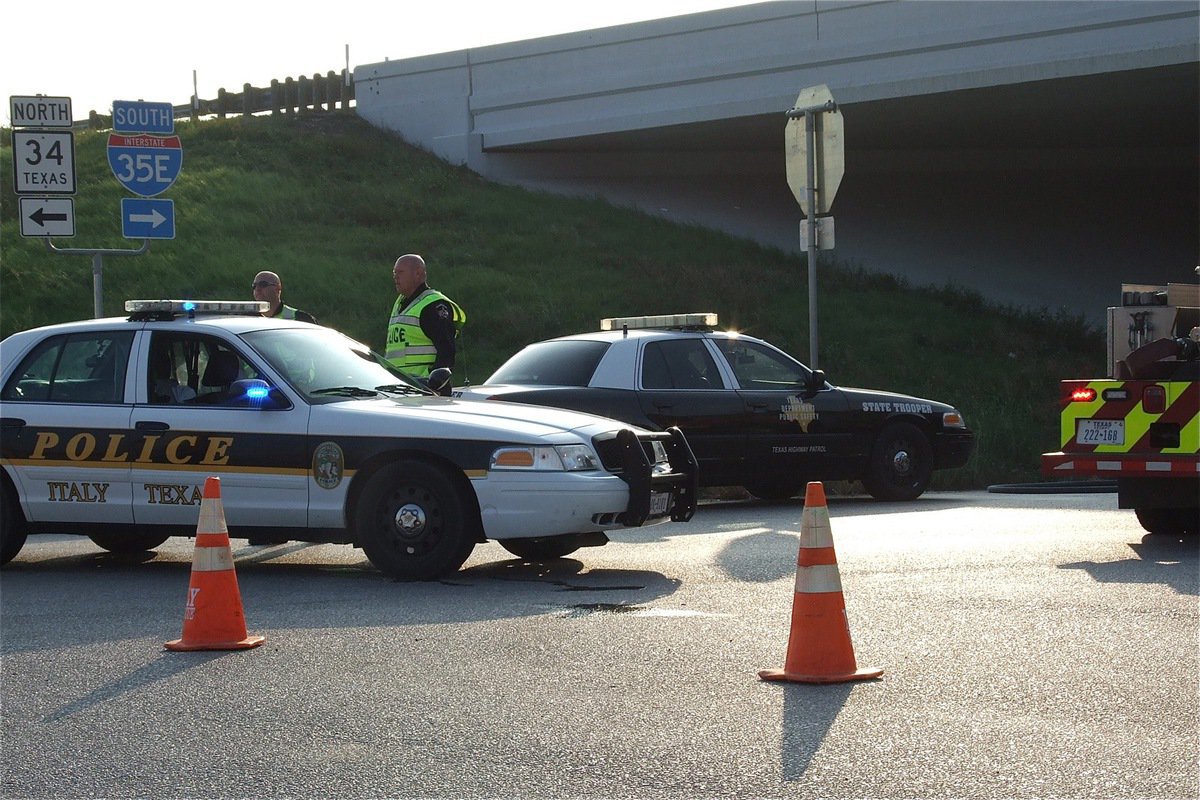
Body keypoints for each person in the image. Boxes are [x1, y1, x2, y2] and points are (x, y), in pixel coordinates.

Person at [385, 254, 466, 394]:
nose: (395, 277)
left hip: (426, 391)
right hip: (401, 389)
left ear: (418, 273)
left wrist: (435, 384)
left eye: (400, 272)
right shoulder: (400, 303)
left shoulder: (433, 305)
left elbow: (446, 350)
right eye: (394, 273)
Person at [252, 270, 316, 323]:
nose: (257, 289)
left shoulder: (302, 319)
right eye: (254, 286)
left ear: (278, 288)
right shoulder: (249, 318)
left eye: (263, 284)